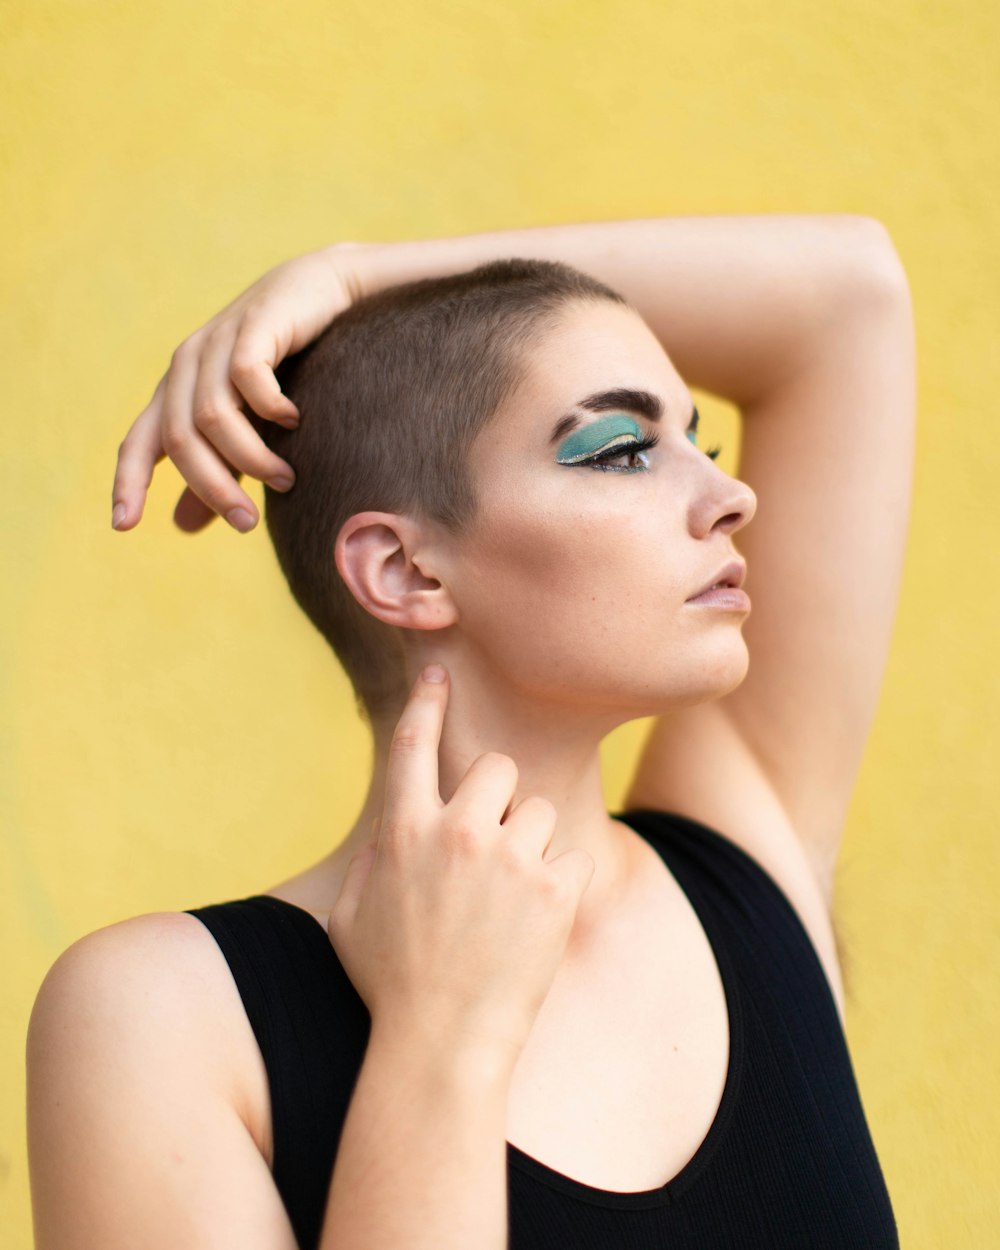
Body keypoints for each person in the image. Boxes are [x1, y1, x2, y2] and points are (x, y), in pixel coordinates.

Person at [27, 216, 914, 1249]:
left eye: (699, 439)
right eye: (624, 449)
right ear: (407, 571)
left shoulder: (742, 858)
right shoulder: (159, 1021)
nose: (728, 496)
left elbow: (848, 296)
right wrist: (439, 1036)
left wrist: (353, 273)